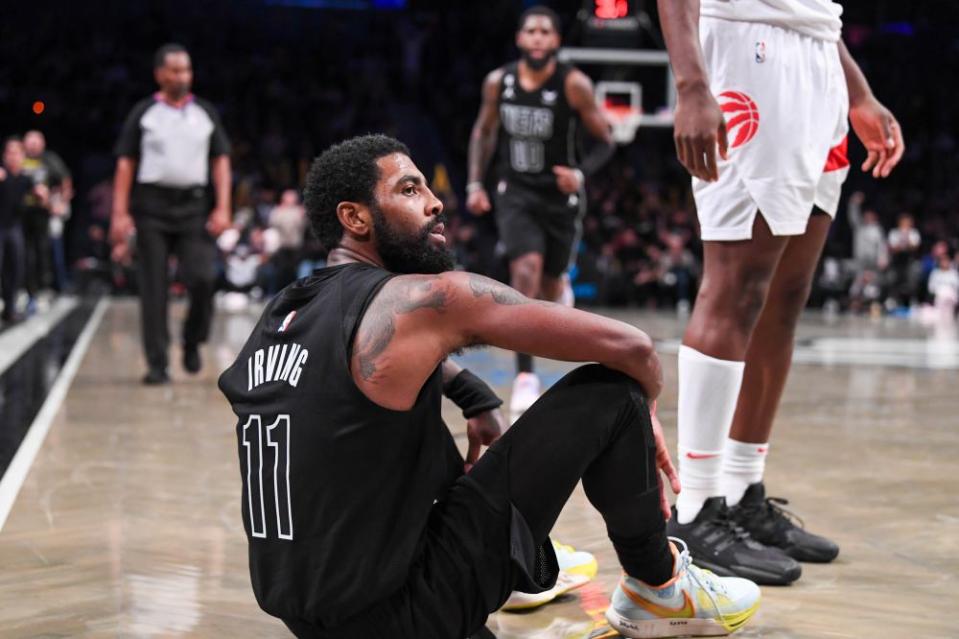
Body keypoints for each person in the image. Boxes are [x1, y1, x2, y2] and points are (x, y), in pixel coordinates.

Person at [218, 135, 761, 639]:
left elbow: (347, 375)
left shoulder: (285, 312)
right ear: (355, 217)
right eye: (410, 189)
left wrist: (474, 395)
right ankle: (660, 590)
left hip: (308, 617)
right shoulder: (425, 299)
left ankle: (520, 566)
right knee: (613, 392)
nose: (435, 203)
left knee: (385, 431)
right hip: (406, 615)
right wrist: (645, 414)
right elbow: (633, 348)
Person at [657, 0, 905, 584]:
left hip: (820, 62)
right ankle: (693, 509)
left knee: (786, 297)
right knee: (737, 288)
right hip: (747, 57)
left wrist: (858, 92)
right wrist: (691, 82)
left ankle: (743, 491)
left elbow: (813, 12)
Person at [466, 5, 616, 422]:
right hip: (515, 193)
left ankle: (560, 287)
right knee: (525, 272)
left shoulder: (574, 84)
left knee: (550, 286)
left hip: (558, 197)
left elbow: (606, 141)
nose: (536, 37)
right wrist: (476, 183)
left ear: (555, 41)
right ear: (520, 39)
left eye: (544, 31)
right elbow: (484, 131)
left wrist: (580, 173)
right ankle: (526, 378)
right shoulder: (500, 82)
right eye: (530, 31)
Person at [110, 43, 232, 384]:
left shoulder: (204, 112)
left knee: (204, 277)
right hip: (151, 207)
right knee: (154, 287)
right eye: (176, 70)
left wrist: (223, 206)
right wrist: (119, 213)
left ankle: (192, 340)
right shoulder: (145, 112)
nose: (183, 76)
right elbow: (125, 162)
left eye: (187, 70)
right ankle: (157, 363)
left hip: (194, 207)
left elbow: (221, 160)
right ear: (160, 73)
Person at [0, 137, 45, 324]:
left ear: (23, 156)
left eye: (17, 153)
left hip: (15, 228)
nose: (13, 157)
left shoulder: (26, 178)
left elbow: (41, 195)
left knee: (16, 267)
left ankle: (9, 309)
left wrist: (42, 194)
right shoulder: (2, 175)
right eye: (9, 153)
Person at [23, 131, 73, 295]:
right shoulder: (19, 158)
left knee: (46, 249)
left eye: (36, 143)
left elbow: (65, 180)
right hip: (20, 213)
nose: (33, 146)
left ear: (42, 144)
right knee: (23, 251)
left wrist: (61, 203)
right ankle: (25, 288)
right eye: (30, 143)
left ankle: (48, 286)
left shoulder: (49, 160)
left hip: (44, 213)